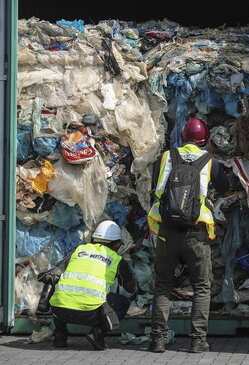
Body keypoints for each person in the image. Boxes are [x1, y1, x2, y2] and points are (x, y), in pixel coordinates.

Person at [147, 118, 229, 353]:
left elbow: (156, 187)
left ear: (182, 137)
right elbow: (224, 187)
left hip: (166, 230)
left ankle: (158, 340)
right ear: (205, 140)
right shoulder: (209, 161)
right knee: (201, 286)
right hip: (196, 232)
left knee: (163, 284)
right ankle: (197, 341)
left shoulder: (166, 157)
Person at [47, 220, 136, 350]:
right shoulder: (117, 260)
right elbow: (130, 289)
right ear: (117, 244)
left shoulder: (79, 250)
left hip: (60, 311)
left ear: (94, 238)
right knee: (123, 302)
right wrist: (128, 276)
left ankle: (60, 336)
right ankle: (97, 333)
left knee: (62, 294)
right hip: (89, 314)